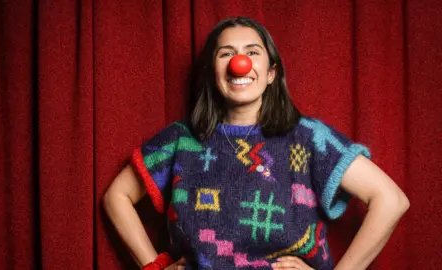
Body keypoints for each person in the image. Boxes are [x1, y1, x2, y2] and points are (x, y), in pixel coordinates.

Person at [104, 17, 409, 270]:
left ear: (271, 72)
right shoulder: (181, 139)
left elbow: (390, 200)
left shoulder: (309, 137)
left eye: (252, 52)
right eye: (226, 53)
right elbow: (116, 196)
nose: (239, 63)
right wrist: (153, 266)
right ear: (212, 72)